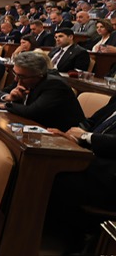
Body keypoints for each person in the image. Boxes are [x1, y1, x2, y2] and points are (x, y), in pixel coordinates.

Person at [47, 96, 116, 253]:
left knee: (56, 179)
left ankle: (77, 241)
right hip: (89, 159)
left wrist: (85, 136)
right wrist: (72, 134)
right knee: (48, 171)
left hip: (109, 176)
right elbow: (91, 122)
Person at [0, 51, 84, 130]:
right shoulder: (23, 77)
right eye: (15, 74)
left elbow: (32, 112)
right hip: (34, 125)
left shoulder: (55, 84)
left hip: (62, 134)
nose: (16, 79)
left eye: (20, 76)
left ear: (39, 75)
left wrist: (7, 105)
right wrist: (8, 97)